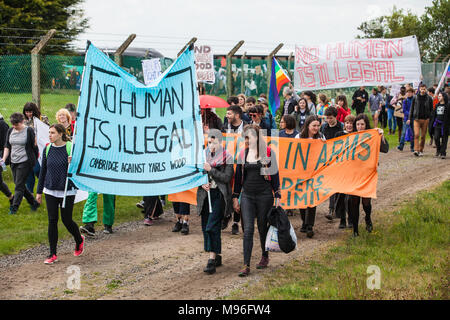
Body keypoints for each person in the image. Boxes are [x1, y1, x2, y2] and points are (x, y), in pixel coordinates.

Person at [233, 124, 281, 277]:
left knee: (262, 227)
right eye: (245, 137)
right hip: (247, 195)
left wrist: (277, 196)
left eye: (249, 137)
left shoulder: (267, 153)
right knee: (247, 230)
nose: (246, 140)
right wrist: (235, 197)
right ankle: (246, 264)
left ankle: (264, 256)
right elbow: (238, 178)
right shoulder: (242, 154)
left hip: (264, 195)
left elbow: (274, 176)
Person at [36, 124, 85, 264]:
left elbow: (79, 168)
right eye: (49, 132)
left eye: (52, 133)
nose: (50, 135)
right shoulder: (48, 149)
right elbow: (43, 171)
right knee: (52, 220)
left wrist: (73, 162)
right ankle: (52, 254)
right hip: (50, 189)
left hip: (66, 190)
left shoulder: (71, 148)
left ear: (60, 134)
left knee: (66, 220)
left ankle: (79, 239)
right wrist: (39, 192)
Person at [198, 131, 234, 274]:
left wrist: (211, 170)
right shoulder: (202, 155)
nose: (211, 145)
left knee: (211, 226)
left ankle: (211, 260)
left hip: (219, 196)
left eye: (213, 142)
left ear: (220, 142)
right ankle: (216, 254)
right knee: (205, 226)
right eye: (209, 142)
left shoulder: (228, 157)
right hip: (206, 196)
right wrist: (201, 183)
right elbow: (197, 173)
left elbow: (226, 177)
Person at [348, 114, 389, 237]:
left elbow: (385, 149)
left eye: (362, 124)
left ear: (366, 125)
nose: (360, 127)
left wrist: (381, 135)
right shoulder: (351, 137)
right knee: (353, 202)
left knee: (366, 201)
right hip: (353, 174)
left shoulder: (372, 136)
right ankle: (355, 229)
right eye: (358, 124)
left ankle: (368, 218)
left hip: (367, 174)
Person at [2, 113, 40, 215]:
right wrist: (4, 158)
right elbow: (7, 146)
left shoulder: (29, 131)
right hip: (13, 161)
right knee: (20, 184)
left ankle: (14, 208)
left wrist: (34, 160)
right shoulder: (10, 130)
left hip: (26, 161)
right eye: (13, 124)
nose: (14, 126)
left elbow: (34, 146)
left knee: (18, 186)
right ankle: (34, 203)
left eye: (16, 124)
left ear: (22, 121)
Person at [297, 115, 325, 237]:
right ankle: (304, 221)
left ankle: (310, 225)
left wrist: (324, 144)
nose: (316, 128)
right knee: (303, 198)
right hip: (301, 172)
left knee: (312, 199)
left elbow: (326, 153)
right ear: (307, 125)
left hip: (315, 172)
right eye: (314, 125)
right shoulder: (298, 137)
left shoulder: (321, 136)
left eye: (318, 126)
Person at [319, 107, 343, 220]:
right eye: (327, 118)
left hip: (340, 159)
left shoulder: (342, 126)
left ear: (336, 116)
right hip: (328, 159)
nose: (329, 120)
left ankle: (339, 209)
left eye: (331, 118)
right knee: (331, 185)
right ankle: (331, 209)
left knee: (339, 186)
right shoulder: (324, 127)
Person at [334, 114, 356, 229]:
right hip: (340, 170)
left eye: (351, 123)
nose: (349, 125)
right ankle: (342, 219)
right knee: (341, 196)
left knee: (351, 197)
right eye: (347, 123)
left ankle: (351, 219)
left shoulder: (358, 136)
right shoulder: (339, 135)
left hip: (353, 171)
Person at [22, 102, 49, 195]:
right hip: (27, 150)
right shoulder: (23, 120)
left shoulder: (43, 118)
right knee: (29, 171)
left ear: (34, 111)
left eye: (30, 112)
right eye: (26, 112)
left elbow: (47, 131)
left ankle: (46, 187)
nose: (28, 114)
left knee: (37, 170)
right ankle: (30, 192)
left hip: (39, 149)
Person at [409, 84, 434, 157]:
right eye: (421, 89)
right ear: (419, 89)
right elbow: (412, 108)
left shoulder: (429, 98)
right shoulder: (415, 97)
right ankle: (416, 150)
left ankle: (421, 149)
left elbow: (431, 109)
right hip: (416, 119)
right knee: (416, 134)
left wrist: (430, 118)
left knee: (423, 136)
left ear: (425, 89)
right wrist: (409, 118)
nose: (423, 90)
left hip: (425, 119)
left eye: (424, 89)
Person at [0, 113, 13, 207]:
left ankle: (11, 197)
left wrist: (2, 159)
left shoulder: (2, 124)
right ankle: (11, 197)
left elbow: (5, 144)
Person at [432, 92, 449, 159]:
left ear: (444, 97)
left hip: (445, 125)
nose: (439, 97)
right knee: (436, 137)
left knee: (444, 139)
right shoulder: (437, 105)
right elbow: (434, 115)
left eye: (440, 96)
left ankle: (443, 152)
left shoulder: (447, 105)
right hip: (437, 124)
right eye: (438, 96)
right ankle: (438, 149)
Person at [397, 88, 415, 152]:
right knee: (404, 132)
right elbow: (404, 110)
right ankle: (401, 146)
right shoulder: (405, 101)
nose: (409, 93)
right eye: (408, 92)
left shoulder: (415, 100)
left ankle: (412, 147)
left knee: (413, 133)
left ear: (413, 93)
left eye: (410, 92)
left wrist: (412, 114)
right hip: (406, 119)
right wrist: (410, 114)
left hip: (413, 119)